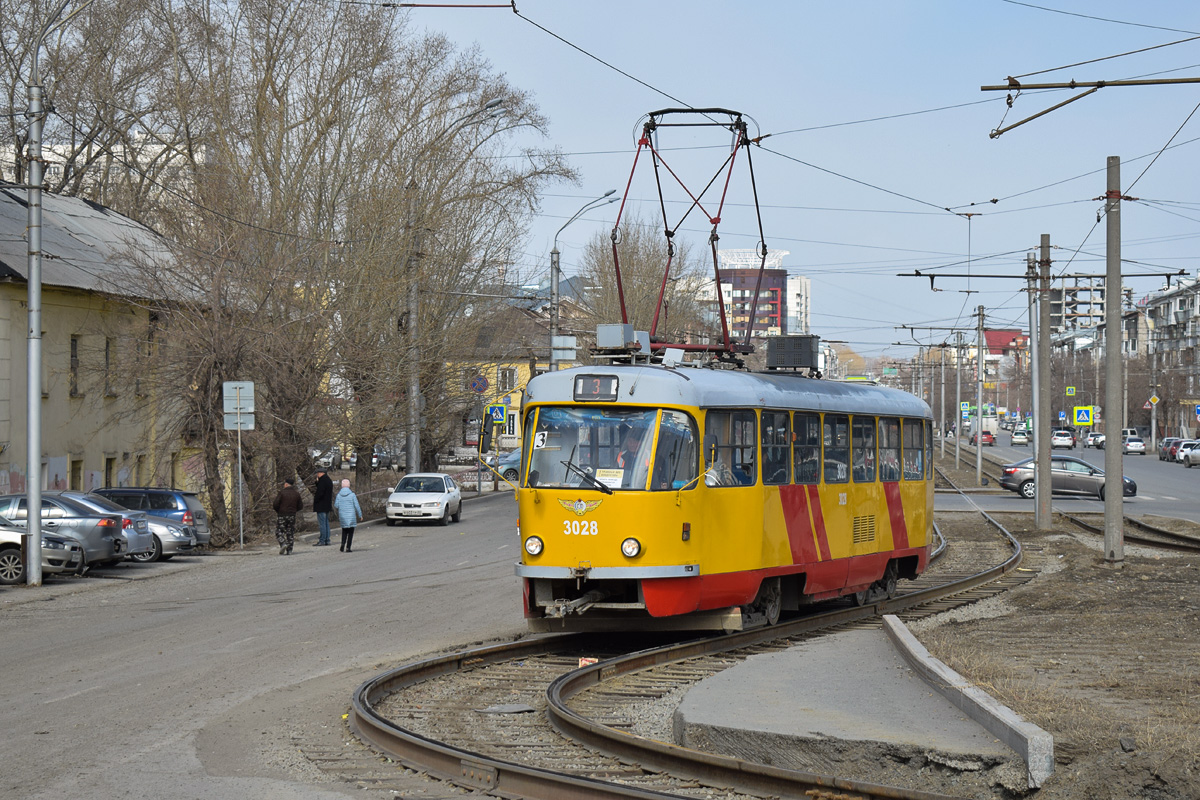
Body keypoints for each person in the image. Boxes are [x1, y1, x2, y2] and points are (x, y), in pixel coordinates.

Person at [272, 477, 304, 555]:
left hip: (282, 514)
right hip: (292, 515)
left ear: (286, 484)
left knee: (279, 531)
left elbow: (275, 504)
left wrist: (279, 511)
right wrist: (294, 510)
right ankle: (289, 550)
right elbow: (300, 506)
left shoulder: (282, 493)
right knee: (290, 532)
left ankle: (283, 543)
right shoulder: (296, 494)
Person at [333, 478, 363, 553]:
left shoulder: (339, 495)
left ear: (342, 486)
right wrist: (360, 515)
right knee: (350, 532)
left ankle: (342, 544)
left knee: (344, 531)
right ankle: (348, 547)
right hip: (351, 516)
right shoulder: (352, 495)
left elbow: (336, 505)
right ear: (349, 486)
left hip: (342, 515)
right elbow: (357, 506)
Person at [311, 468, 333, 546]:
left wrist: (315, 500)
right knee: (326, 523)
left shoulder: (322, 481)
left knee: (322, 523)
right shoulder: (328, 480)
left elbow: (320, 493)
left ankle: (322, 540)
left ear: (321, 473)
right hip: (327, 505)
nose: (317, 475)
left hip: (321, 505)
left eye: (318, 473)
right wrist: (317, 482)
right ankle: (327, 539)